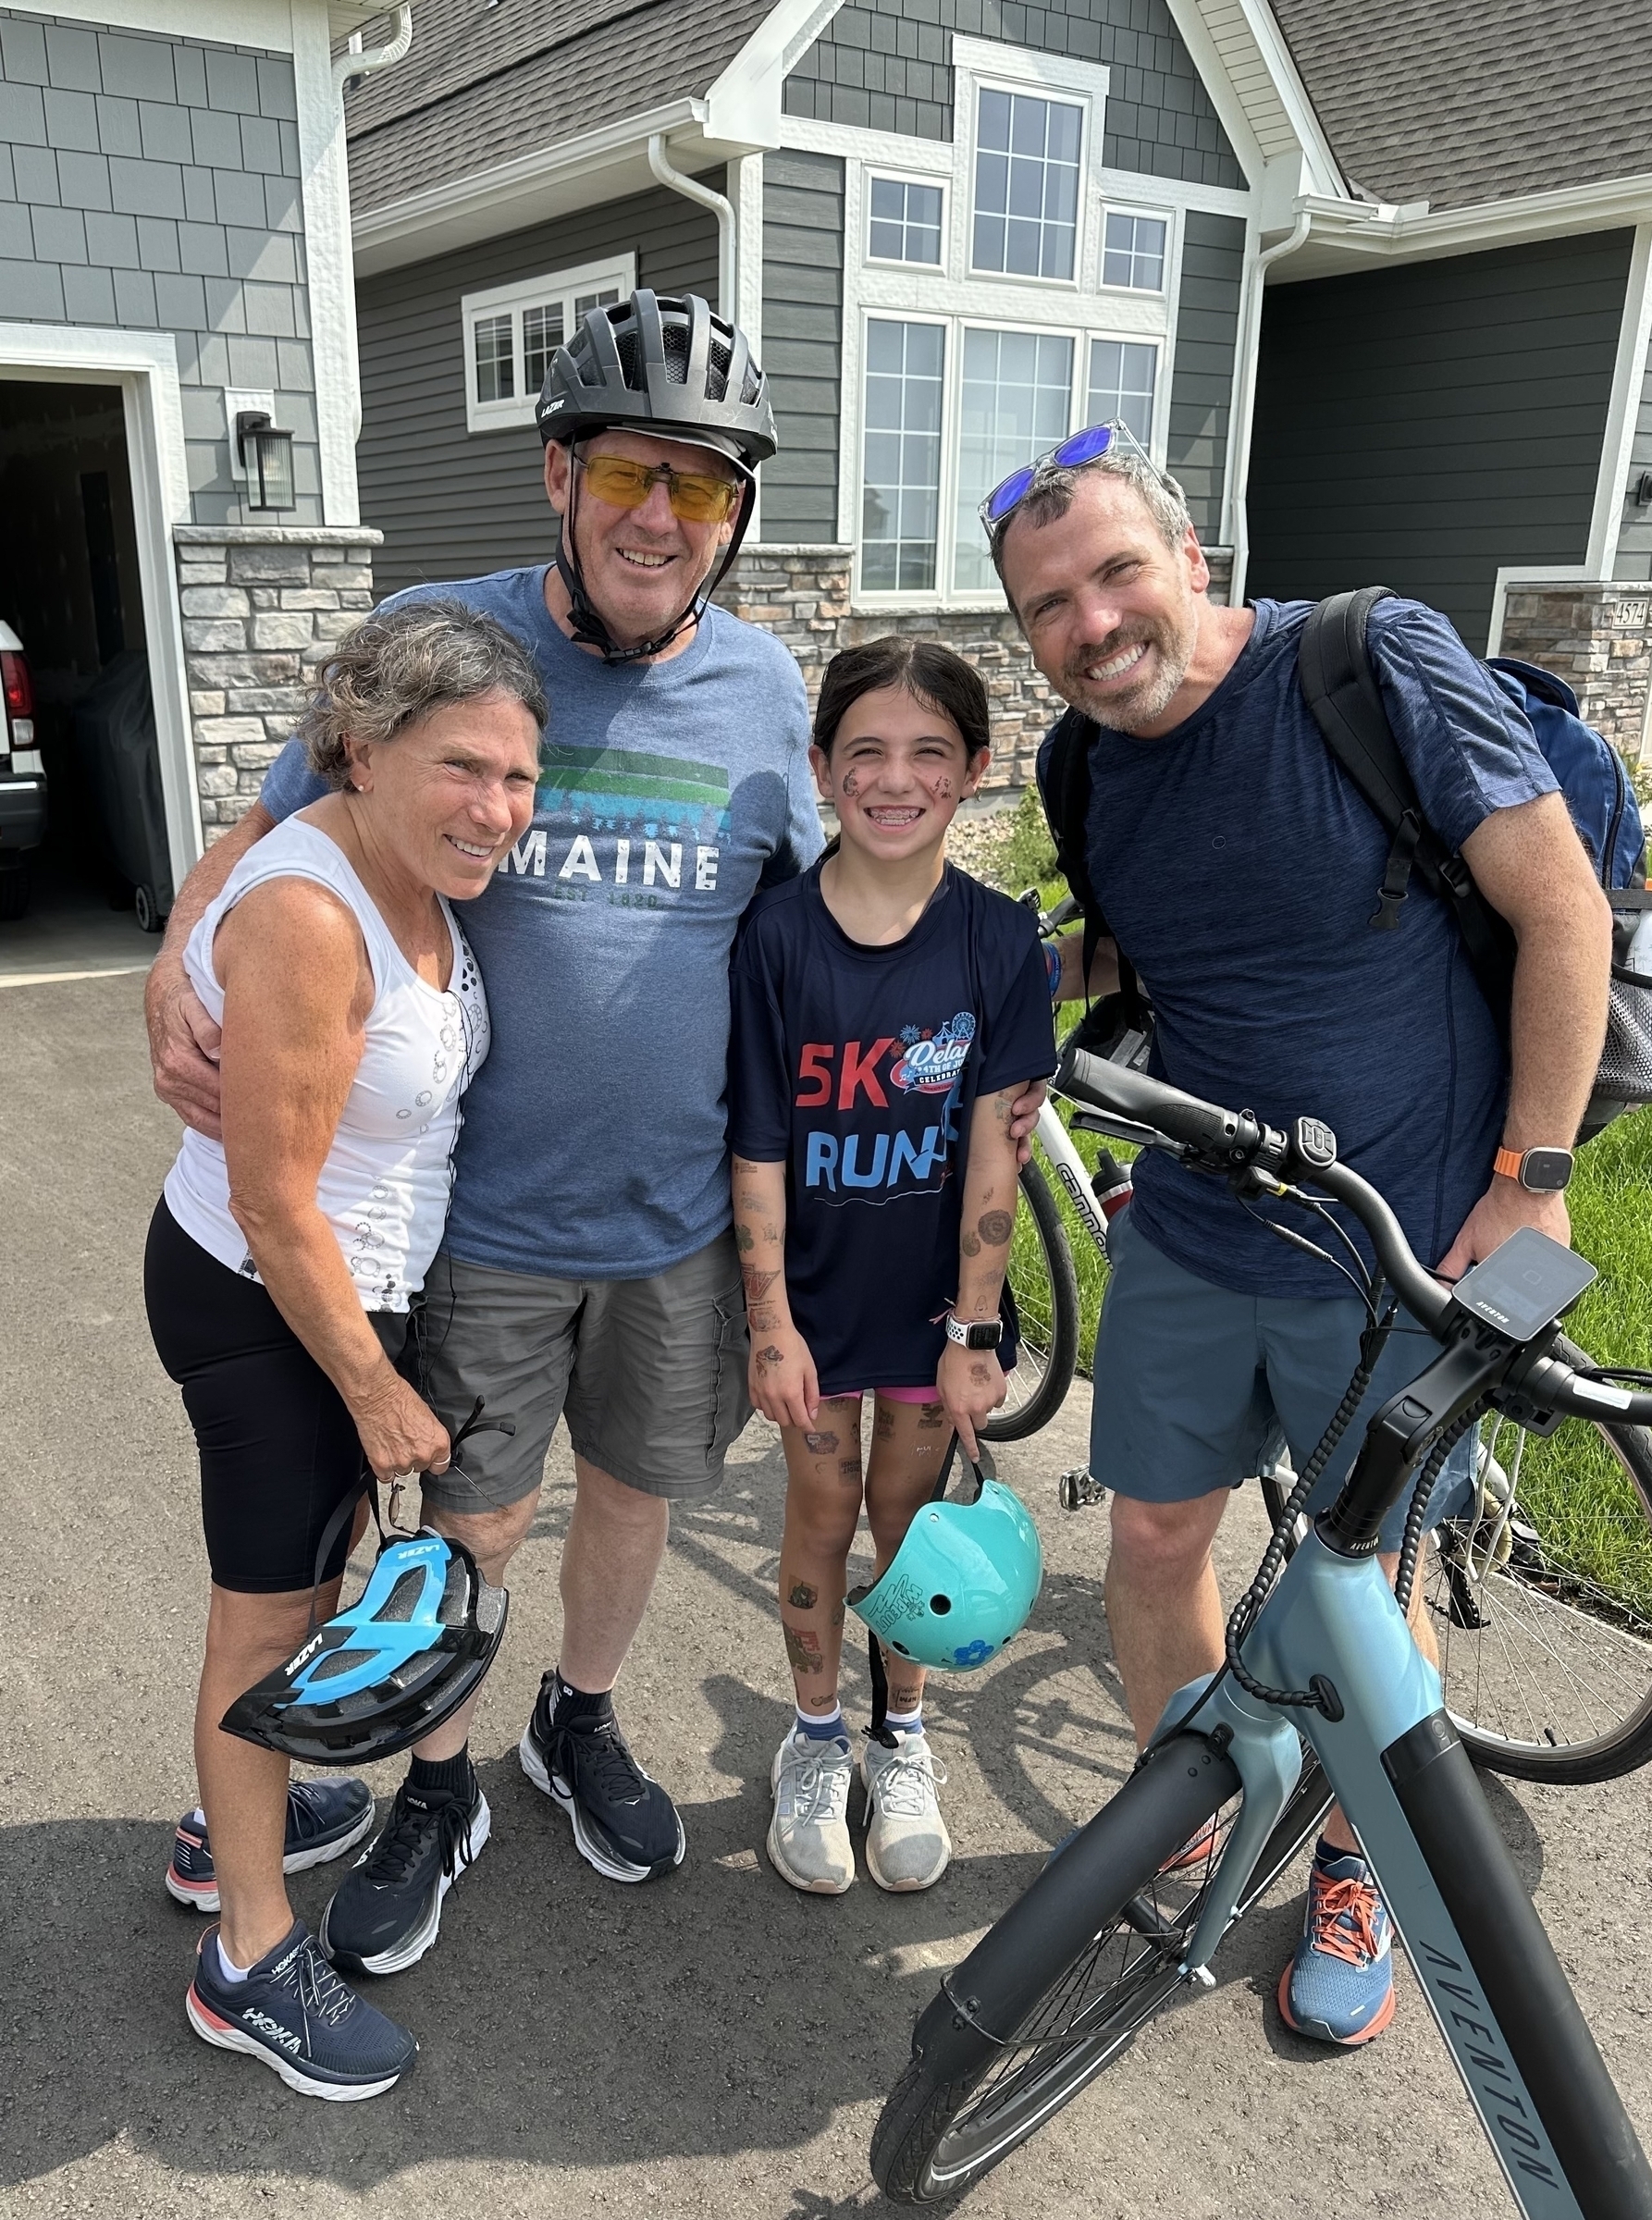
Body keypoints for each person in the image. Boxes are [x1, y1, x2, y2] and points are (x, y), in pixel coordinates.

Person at [143, 291, 847, 1972]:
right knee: (468, 1514)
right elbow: (266, 829)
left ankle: (576, 1721)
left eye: (703, 486)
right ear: (558, 471)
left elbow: (817, 922)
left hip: (674, 1213)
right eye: (629, 473)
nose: (662, 517)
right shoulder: (440, 638)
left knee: (634, 1491)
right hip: (481, 1219)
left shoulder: (761, 689)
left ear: (736, 517)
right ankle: (434, 1778)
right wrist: (172, 965)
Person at [989, 429, 1611, 2047]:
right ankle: (1189, 1807)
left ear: (1192, 560)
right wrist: (928, 953)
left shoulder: (1364, 658)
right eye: (1049, 605)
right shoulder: (1087, 762)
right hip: (1200, 1225)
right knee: (1148, 1543)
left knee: (1365, 1575)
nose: (1094, 621)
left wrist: (1533, 1185)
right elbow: (1147, 942)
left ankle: (1360, 1860)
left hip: (1408, 1236)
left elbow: (1562, 910)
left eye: (1118, 572)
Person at [145, 600, 545, 2096]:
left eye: (517, 777)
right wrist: (374, 1389)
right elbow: (270, 1196)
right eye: (464, 770)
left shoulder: (400, 876)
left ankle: (220, 1829)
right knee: (265, 1627)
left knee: (299, 1597)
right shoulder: (314, 913)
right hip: (272, 1302)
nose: (497, 810)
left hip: (329, 1293)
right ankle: (246, 1958)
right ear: (360, 755)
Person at [728, 638, 1056, 1896]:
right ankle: (814, 1740)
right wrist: (770, 1324)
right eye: (864, 751)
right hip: (812, 1308)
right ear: (820, 768)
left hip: (929, 1319)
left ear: (974, 770)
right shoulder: (775, 940)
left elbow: (995, 1161)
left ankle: (901, 1738)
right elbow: (756, 1145)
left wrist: (974, 1334)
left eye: (928, 753)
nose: (894, 778)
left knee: (907, 1523)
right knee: (819, 1512)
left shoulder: (999, 944)